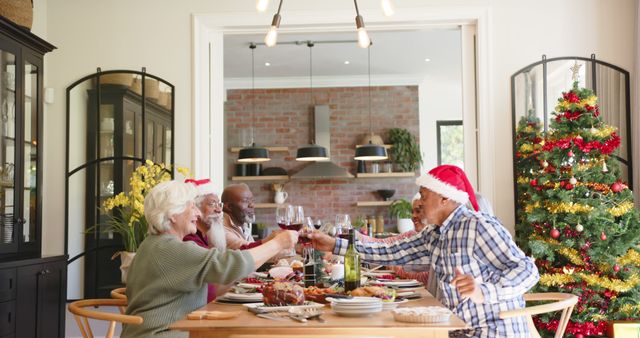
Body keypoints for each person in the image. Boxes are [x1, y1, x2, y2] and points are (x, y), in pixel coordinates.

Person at [309, 165, 539, 337]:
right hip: (457, 330)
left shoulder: (478, 225)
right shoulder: (435, 234)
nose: (420, 202)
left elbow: (528, 270)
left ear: (445, 197)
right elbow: (389, 250)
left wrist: (484, 292)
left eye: (424, 196)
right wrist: (334, 245)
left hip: (493, 331)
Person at [122, 180, 298, 338]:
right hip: (163, 334)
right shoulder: (172, 249)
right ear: (173, 214)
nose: (197, 213)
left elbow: (221, 274)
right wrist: (278, 243)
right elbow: (229, 264)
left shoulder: (153, 244)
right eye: (191, 206)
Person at [182, 178, 226, 303]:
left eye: (219, 204)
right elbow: (211, 289)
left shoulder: (207, 235)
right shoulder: (189, 240)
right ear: (195, 208)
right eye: (212, 204)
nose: (219, 210)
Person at [220, 183, 263, 249]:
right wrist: (276, 241)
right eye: (246, 201)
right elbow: (250, 250)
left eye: (252, 201)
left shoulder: (243, 226)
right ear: (229, 206)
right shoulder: (221, 229)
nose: (252, 205)